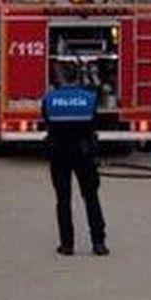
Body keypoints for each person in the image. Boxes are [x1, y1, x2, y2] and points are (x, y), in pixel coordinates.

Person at [42, 64, 109, 256]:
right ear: (77, 77)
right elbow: (95, 122)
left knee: (63, 199)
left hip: (59, 153)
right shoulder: (89, 98)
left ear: (60, 77)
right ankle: (99, 243)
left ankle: (67, 244)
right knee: (91, 197)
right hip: (85, 153)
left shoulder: (50, 99)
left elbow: (46, 122)